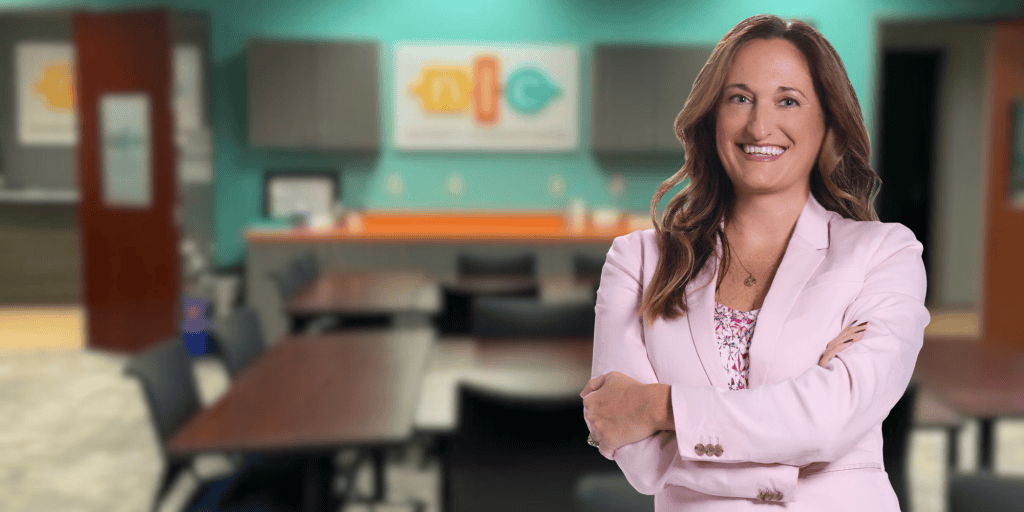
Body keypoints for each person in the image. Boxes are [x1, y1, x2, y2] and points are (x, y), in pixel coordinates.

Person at [579, 14, 930, 511]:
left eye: (788, 100)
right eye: (739, 98)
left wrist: (659, 406)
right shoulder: (638, 261)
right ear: (712, 116)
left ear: (826, 121)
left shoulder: (884, 253)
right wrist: (796, 450)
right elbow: (636, 453)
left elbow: (829, 420)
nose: (759, 126)